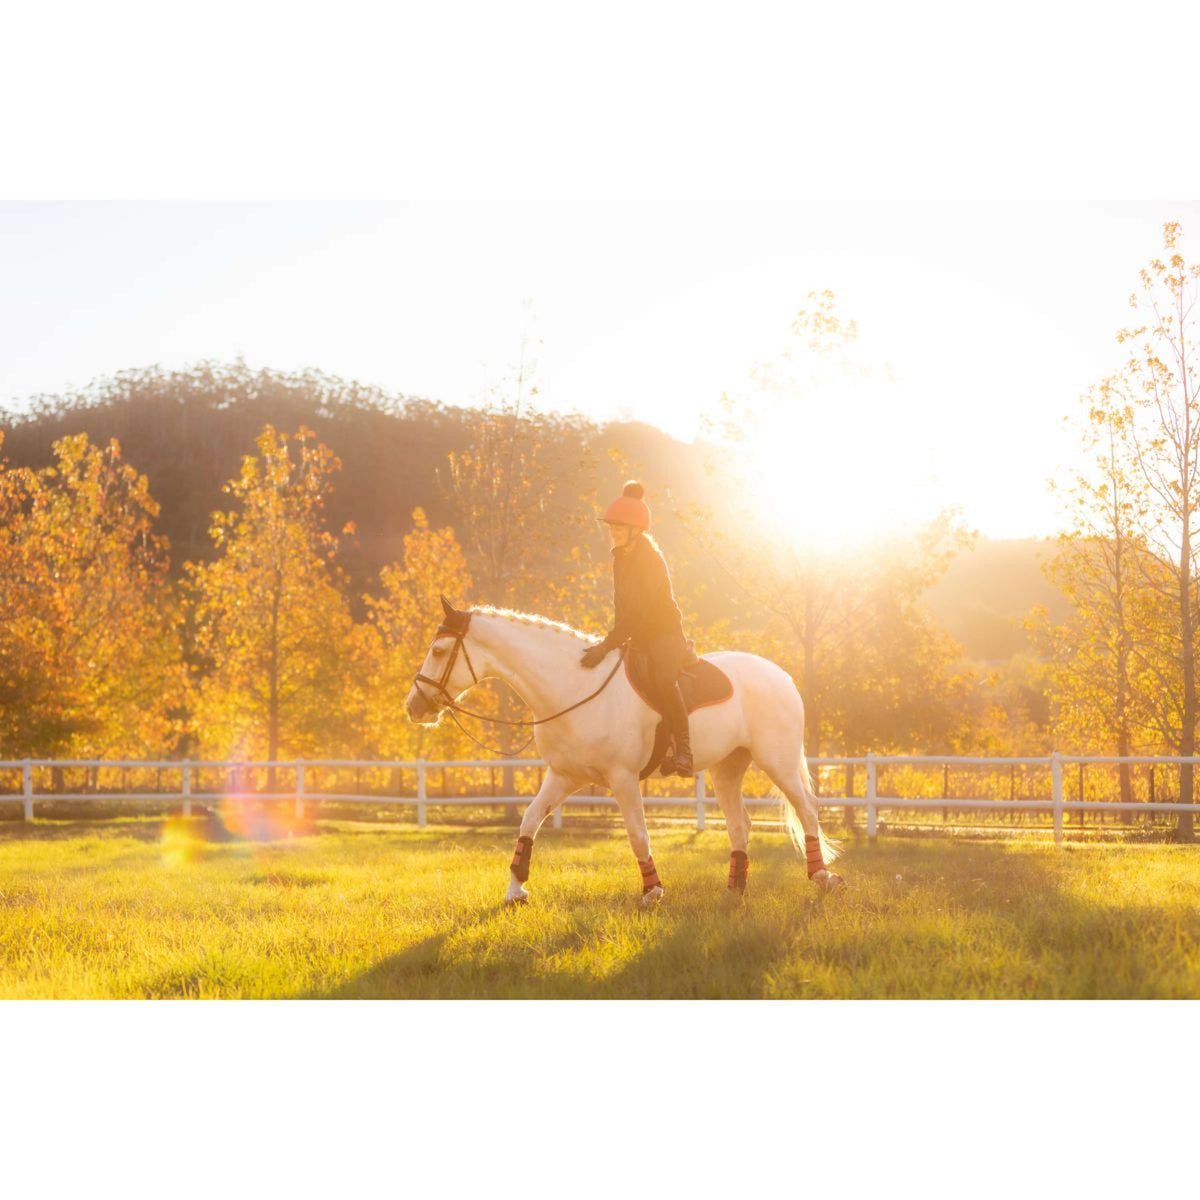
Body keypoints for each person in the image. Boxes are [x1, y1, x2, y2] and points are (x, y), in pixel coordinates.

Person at [580, 480, 693, 776]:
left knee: (664, 680)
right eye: (612, 527)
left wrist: (606, 644)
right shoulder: (620, 558)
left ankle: (683, 749)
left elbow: (637, 613)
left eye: (618, 528)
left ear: (635, 531)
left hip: (664, 635)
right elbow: (622, 610)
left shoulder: (650, 560)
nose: (613, 532)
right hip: (637, 634)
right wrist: (610, 642)